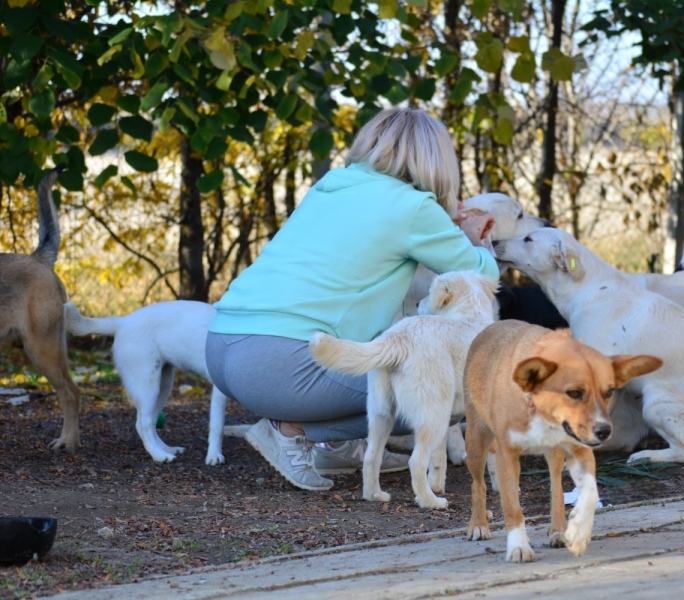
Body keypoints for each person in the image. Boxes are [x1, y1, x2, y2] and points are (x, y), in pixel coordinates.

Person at [206, 107, 499, 491]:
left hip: (221, 344)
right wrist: (479, 237)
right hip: (281, 363)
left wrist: (443, 222)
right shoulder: (414, 207)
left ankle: (333, 446)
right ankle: (291, 429)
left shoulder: (334, 183)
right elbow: (480, 275)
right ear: (437, 160)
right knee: (456, 389)